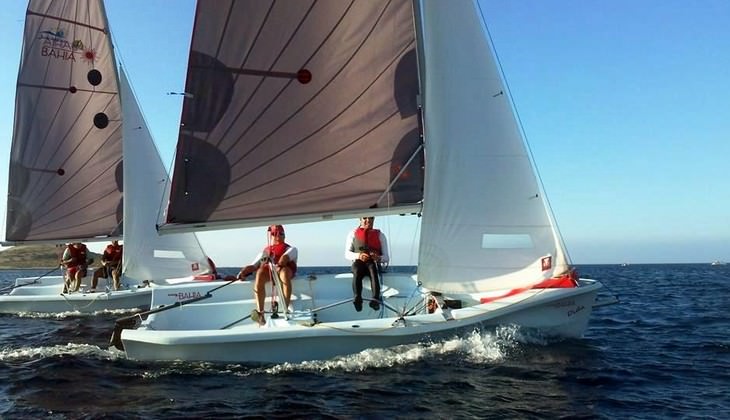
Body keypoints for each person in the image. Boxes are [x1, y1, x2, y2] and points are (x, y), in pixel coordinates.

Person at [237, 225, 298, 325]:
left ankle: (285, 309)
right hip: (269, 271)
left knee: (284, 273)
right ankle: (260, 314)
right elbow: (253, 266)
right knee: (260, 273)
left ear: (284, 235)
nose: (277, 236)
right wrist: (243, 272)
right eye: (274, 234)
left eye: (280, 234)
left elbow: (285, 258)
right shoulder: (265, 252)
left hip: (283, 270)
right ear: (271, 235)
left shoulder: (292, 249)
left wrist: (278, 264)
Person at [344, 216, 389, 311]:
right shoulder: (352, 234)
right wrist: (359, 256)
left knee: (373, 268)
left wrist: (378, 258)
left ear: (374, 220)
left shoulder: (380, 235)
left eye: (371, 218)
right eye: (364, 218)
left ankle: (375, 299)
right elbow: (347, 254)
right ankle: (357, 298)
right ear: (360, 220)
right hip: (359, 263)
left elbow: (386, 258)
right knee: (357, 269)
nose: (368, 221)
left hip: (372, 264)